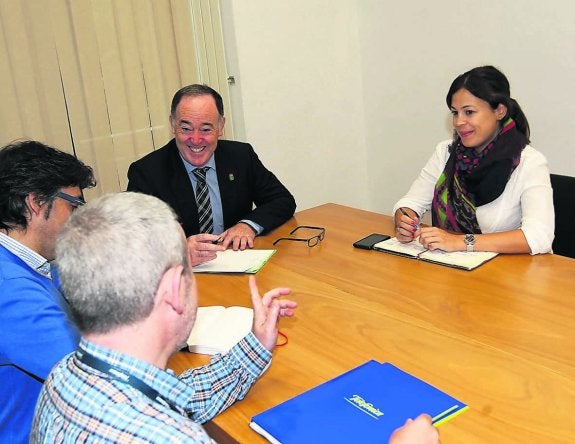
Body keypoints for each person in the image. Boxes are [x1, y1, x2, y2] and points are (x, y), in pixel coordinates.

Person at [31, 192, 298, 442]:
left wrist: (256, 346)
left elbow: (175, 396)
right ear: (173, 288)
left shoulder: (66, 373)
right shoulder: (174, 437)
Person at [127, 84, 296, 265]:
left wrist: (247, 225)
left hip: (237, 267)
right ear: (173, 125)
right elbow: (132, 235)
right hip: (182, 277)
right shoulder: (147, 172)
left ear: (221, 126)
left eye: (206, 129)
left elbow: (282, 200)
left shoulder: (241, 156)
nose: (196, 139)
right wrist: (178, 250)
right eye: (186, 129)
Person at [394, 65, 554, 255]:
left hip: (510, 275)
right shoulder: (445, 152)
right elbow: (411, 202)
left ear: (499, 111)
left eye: (469, 112)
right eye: (455, 112)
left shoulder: (529, 162)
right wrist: (404, 219)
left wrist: (460, 241)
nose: (458, 122)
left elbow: (538, 237)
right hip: (449, 268)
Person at [0, 140, 95, 443]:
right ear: (37, 203)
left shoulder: (31, 263)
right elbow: (97, 382)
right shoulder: (12, 292)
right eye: (73, 205)